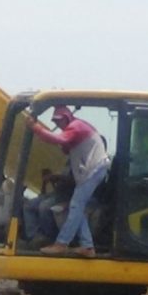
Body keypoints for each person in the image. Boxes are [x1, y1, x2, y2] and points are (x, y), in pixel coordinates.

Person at [26, 105, 110, 257]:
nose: (58, 125)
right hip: (92, 170)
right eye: (55, 122)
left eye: (59, 121)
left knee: (76, 205)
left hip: (94, 169)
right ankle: (87, 246)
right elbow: (66, 147)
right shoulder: (76, 128)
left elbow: (58, 139)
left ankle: (61, 243)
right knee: (77, 207)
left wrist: (35, 127)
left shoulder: (75, 127)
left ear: (67, 117)